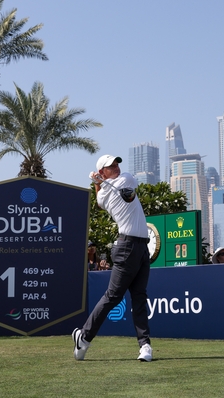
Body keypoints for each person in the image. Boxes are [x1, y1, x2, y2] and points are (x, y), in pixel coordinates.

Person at [73, 155, 153, 362]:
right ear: (103, 172)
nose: (117, 167)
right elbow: (103, 198)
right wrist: (99, 182)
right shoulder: (124, 181)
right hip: (128, 247)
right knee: (113, 297)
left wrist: (98, 183)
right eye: (111, 166)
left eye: (117, 164)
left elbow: (100, 201)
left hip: (141, 247)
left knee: (139, 297)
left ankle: (145, 346)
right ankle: (84, 336)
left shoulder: (108, 191)